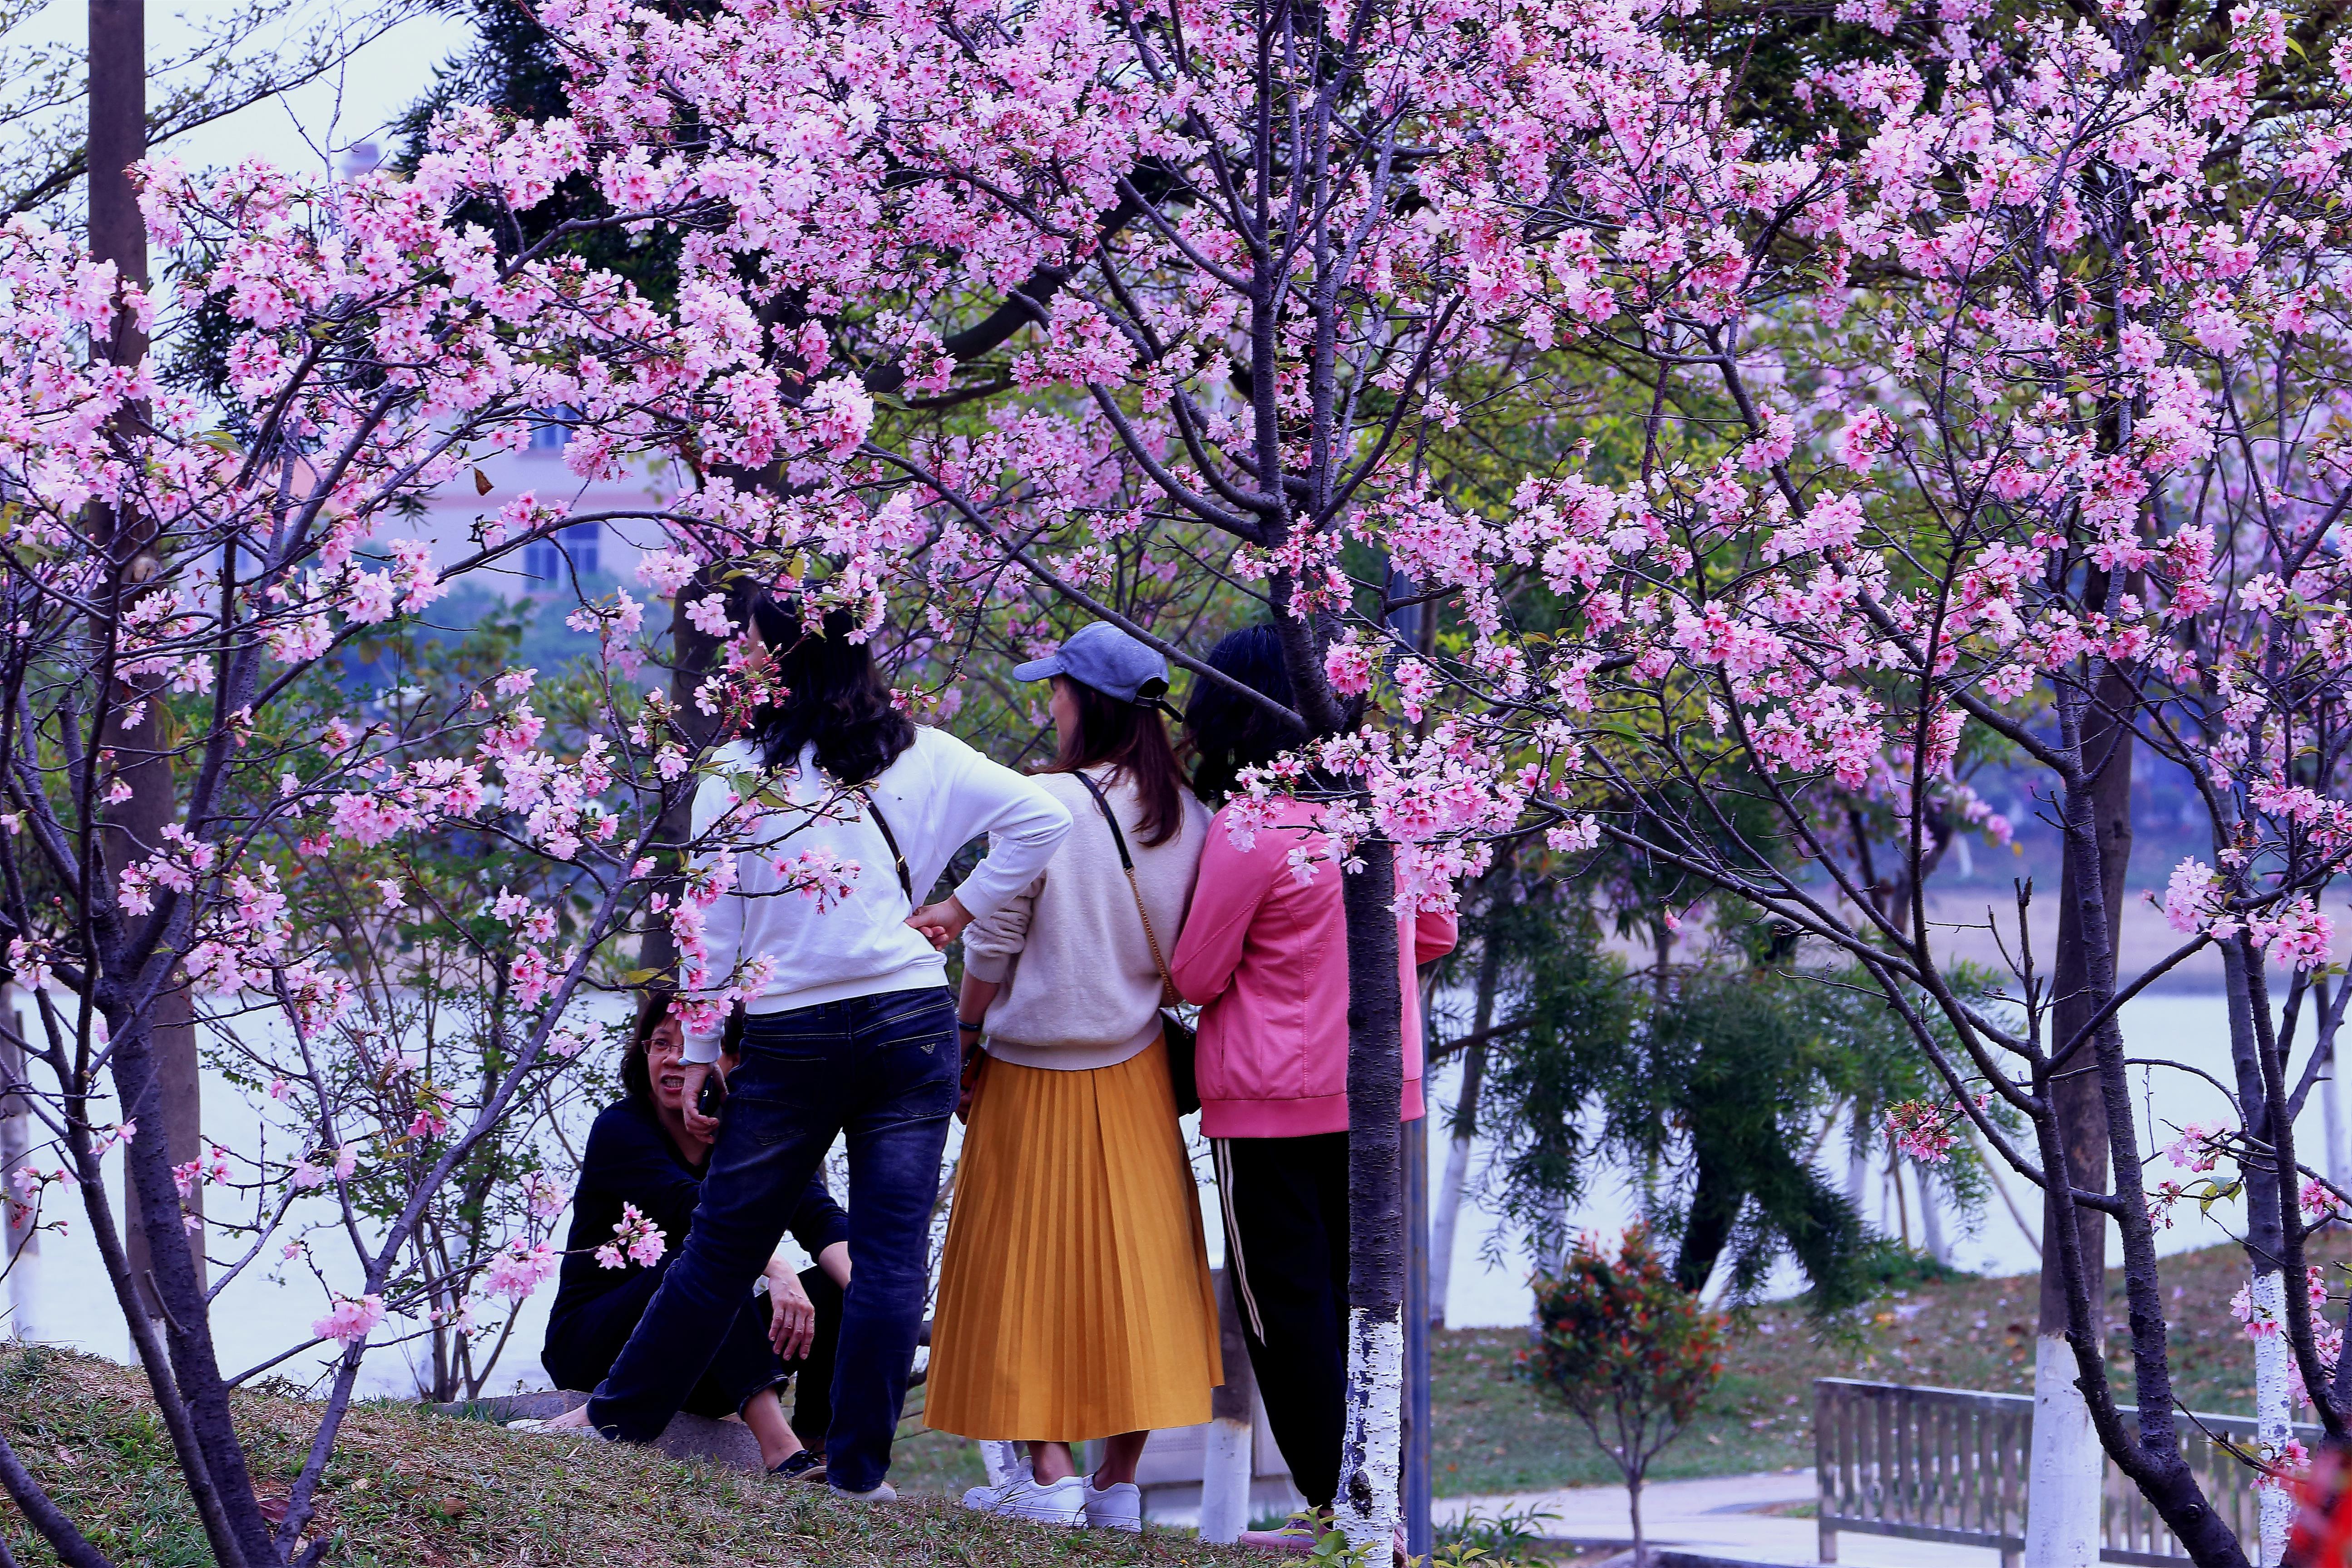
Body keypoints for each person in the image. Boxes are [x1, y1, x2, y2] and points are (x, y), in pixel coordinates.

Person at [540, 596, 1071, 1502]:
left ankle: (615, 1422)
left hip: (790, 1031)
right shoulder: (925, 752)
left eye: (752, 646)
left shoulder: (736, 775)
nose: (743, 657)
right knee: (892, 1253)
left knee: (721, 1244)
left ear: (774, 659)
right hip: (910, 1019)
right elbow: (1043, 819)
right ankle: (859, 1474)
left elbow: (710, 923)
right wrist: (960, 906)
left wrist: (704, 1045)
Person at [925, 622, 1222, 1531]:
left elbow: (992, 938)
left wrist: (964, 1033)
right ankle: (1114, 1487)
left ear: (1082, 700)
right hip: (1134, 1073)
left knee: (1024, 1274)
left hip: (1025, 1071)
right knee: (1133, 1276)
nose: (1046, 701)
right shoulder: (1191, 815)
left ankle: (1047, 1472)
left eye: (1054, 687)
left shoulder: (1042, 803)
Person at [1169, 624, 1458, 1553]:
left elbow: (1196, 975)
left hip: (1269, 1098)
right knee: (1362, 1300)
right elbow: (1434, 934)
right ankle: (1368, 1506)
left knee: (1284, 1308)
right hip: (1379, 1092)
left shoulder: (1253, 823)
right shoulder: (1393, 810)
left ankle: (1335, 1512)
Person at [535, 995, 849, 1479]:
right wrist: (779, 1269)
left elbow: (821, 1220)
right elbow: (694, 1210)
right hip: (597, 1347)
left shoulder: (756, 1140)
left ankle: (819, 1448)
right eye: (661, 1042)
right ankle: (780, 1450)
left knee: (841, 1285)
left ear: (734, 1062)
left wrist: (876, 1293)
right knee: (702, 1258)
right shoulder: (621, 1129)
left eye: (696, 1044)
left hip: (701, 1367)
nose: (675, 1058)